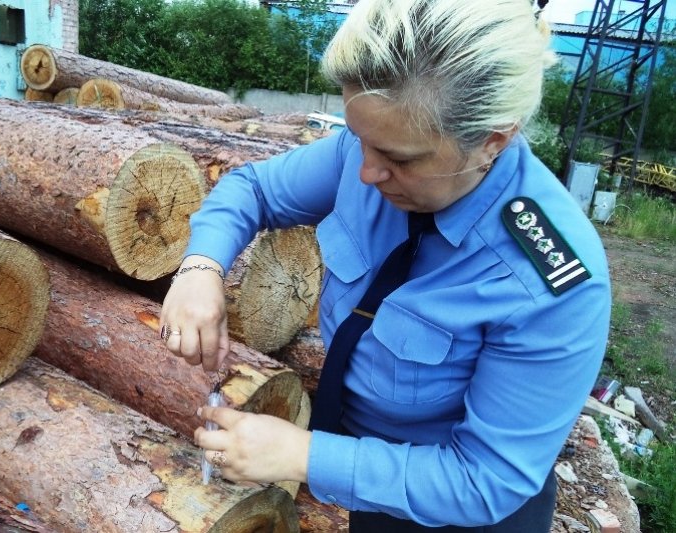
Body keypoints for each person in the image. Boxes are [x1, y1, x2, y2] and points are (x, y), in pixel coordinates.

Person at [159, 0, 612, 530]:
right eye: (361, 139)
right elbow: (252, 188)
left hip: (454, 511)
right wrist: (200, 269)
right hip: (364, 471)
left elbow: (485, 479)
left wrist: (305, 457)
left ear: (492, 139)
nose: (367, 173)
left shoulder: (550, 284)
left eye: (400, 158)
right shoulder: (369, 149)